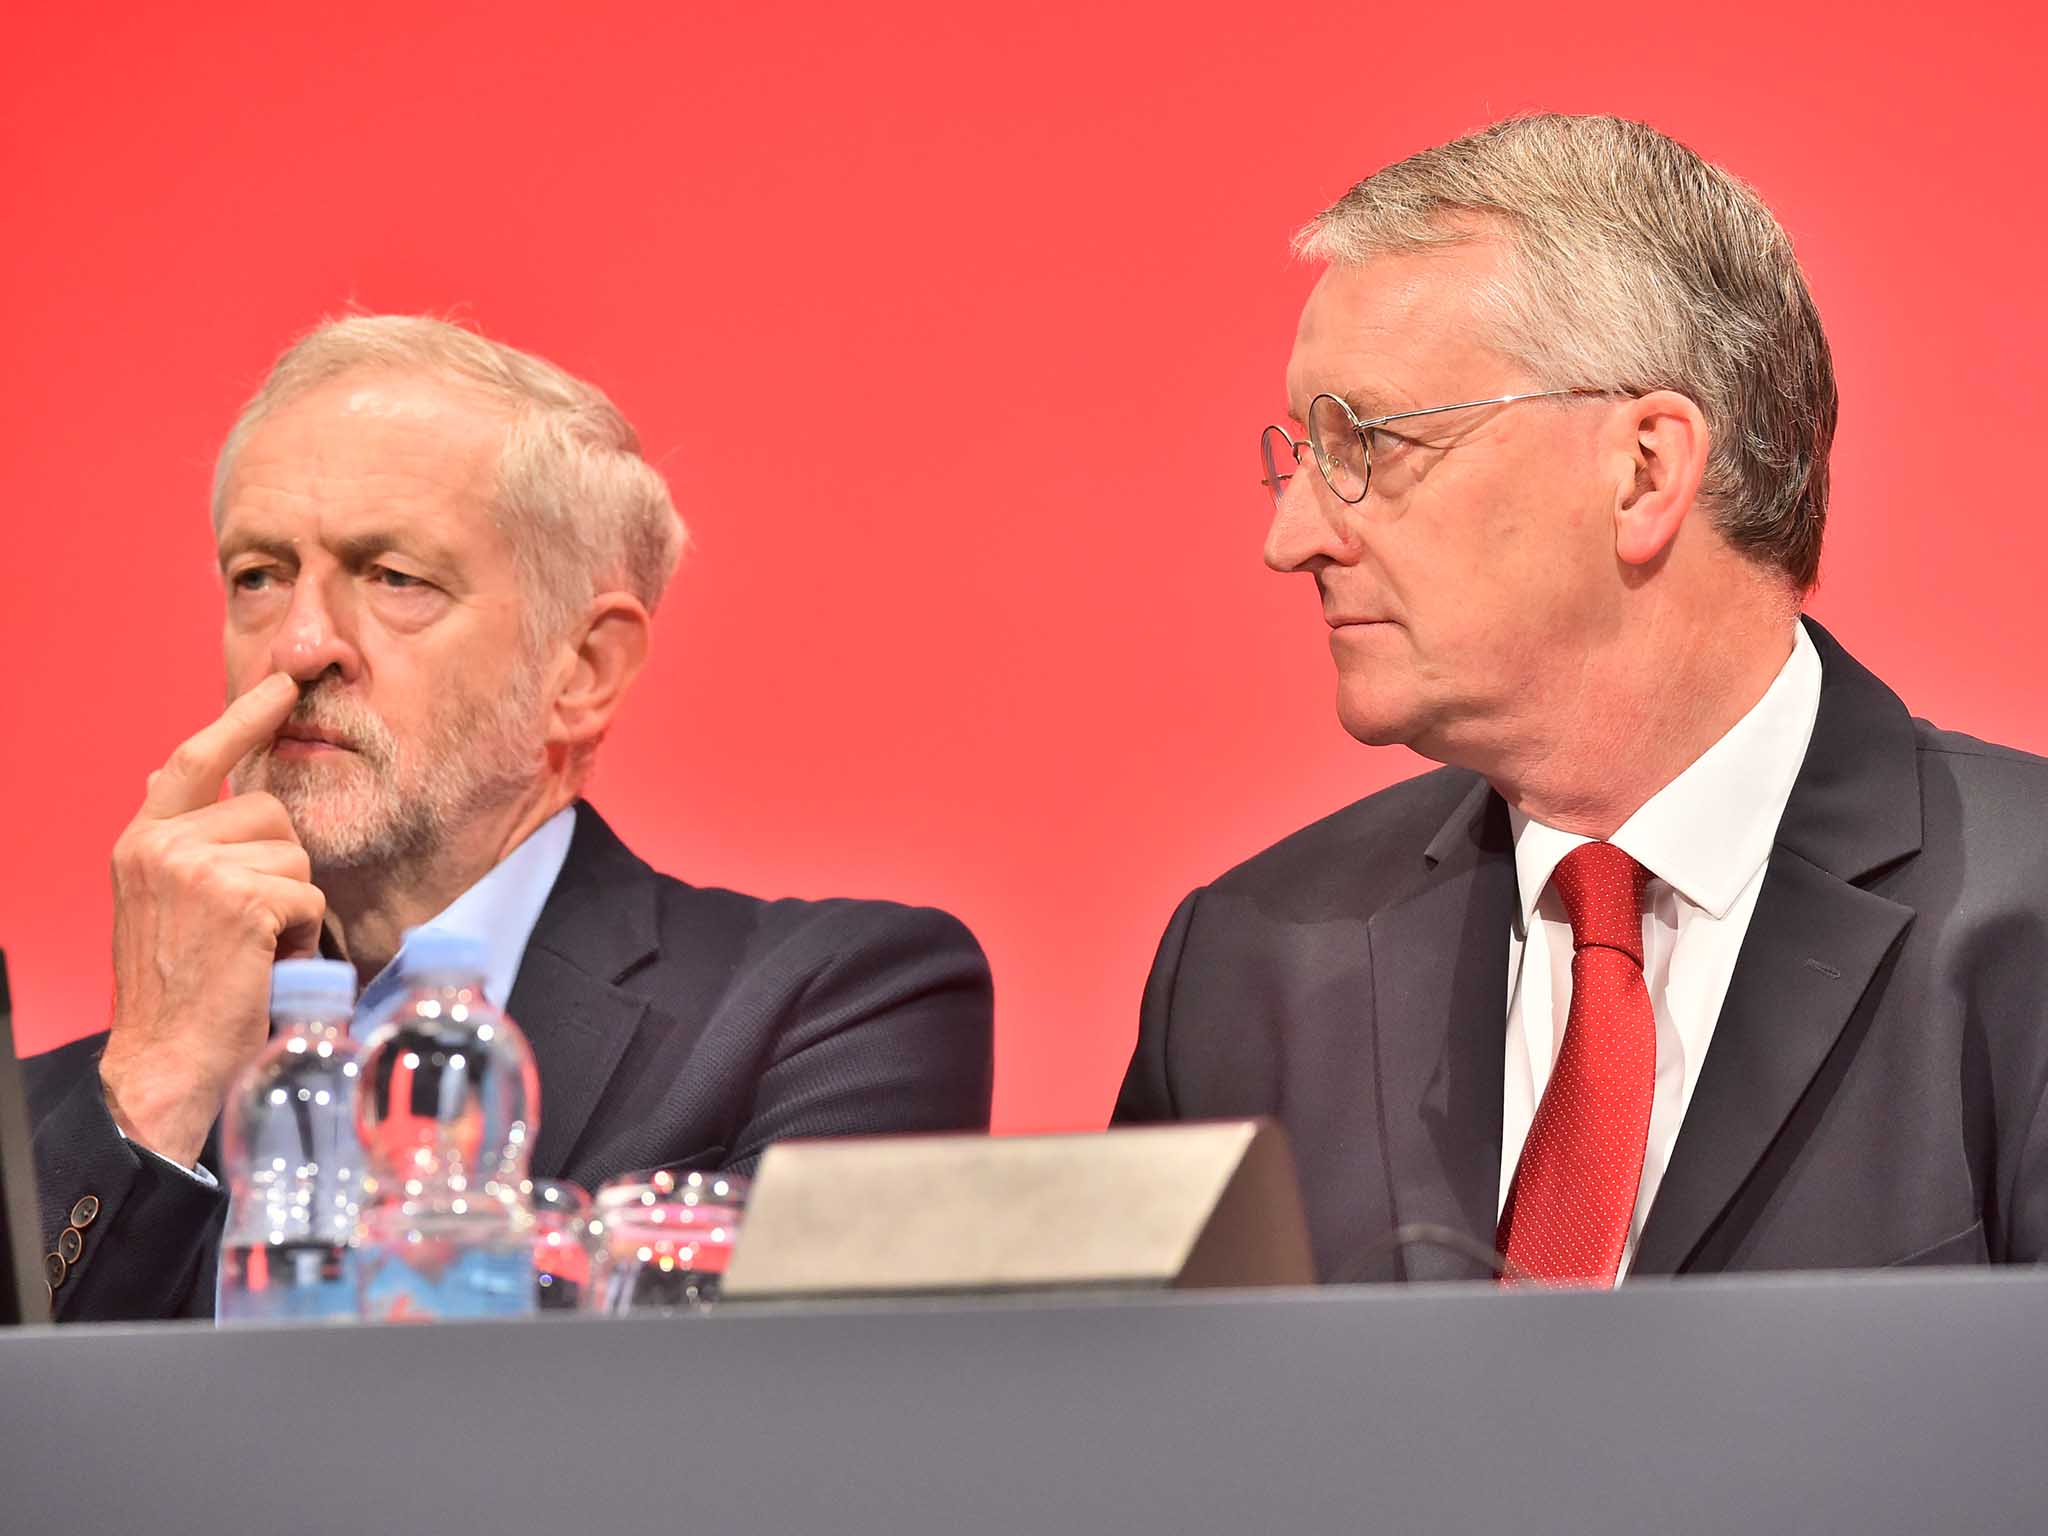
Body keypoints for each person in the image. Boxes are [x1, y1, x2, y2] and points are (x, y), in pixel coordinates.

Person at [1115, 114, 2048, 1286]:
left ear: (1645, 471)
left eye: (1365, 444)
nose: (1289, 535)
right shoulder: (1247, 968)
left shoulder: (2025, 924)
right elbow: (1145, 1455)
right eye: (1294, 454)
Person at [27, 316, 994, 1320]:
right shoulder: (51, 1127)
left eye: (396, 577)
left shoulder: (827, 1006)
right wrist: (157, 1084)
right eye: (258, 577)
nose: (301, 644)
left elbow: (780, 1428)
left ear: (580, 671)